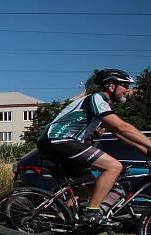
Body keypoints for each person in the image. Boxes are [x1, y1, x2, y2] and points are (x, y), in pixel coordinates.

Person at [37, 68, 151, 222]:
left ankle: (63, 223)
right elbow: (121, 127)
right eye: (125, 85)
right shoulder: (97, 98)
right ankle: (92, 212)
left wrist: (147, 151)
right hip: (58, 140)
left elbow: (120, 135)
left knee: (92, 185)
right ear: (111, 87)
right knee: (114, 167)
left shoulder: (102, 105)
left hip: (62, 142)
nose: (128, 90)